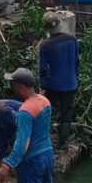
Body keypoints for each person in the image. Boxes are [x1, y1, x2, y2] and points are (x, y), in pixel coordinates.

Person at [0, 68, 55, 183]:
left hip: (32, 161)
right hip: (48, 156)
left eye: (13, 83)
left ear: (20, 86)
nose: (11, 86)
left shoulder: (25, 110)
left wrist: (6, 165)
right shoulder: (44, 101)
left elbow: (22, 143)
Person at [39, 11, 79, 147]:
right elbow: (76, 62)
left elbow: (44, 69)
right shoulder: (72, 39)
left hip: (53, 86)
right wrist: (75, 78)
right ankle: (62, 144)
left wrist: (43, 87)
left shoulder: (45, 45)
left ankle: (45, 142)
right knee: (66, 116)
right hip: (70, 85)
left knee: (46, 114)